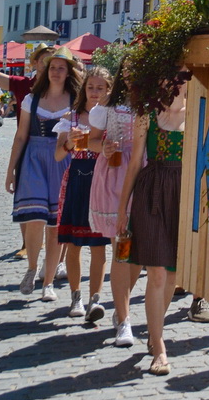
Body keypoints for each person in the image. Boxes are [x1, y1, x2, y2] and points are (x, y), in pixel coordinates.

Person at [116, 75, 189, 374]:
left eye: (184, 78)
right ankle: (159, 345)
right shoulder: (147, 112)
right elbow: (135, 162)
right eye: (174, 76)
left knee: (172, 272)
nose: (177, 83)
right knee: (157, 272)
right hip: (153, 190)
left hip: (183, 191)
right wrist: (123, 208)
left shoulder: (198, 111)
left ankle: (154, 330)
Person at [5, 49, 84, 300]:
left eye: (61, 68)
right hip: (34, 159)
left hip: (62, 159)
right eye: (53, 67)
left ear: (69, 72)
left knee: (56, 225)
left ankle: (47, 282)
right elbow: (20, 136)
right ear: (46, 71)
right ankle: (31, 268)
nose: (56, 72)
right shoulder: (32, 99)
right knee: (35, 218)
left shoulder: (76, 100)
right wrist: (10, 171)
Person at [87, 69, 142, 346]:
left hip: (145, 176)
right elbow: (91, 140)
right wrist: (104, 147)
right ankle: (124, 320)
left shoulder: (154, 102)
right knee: (123, 247)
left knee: (139, 253)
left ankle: (123, 302)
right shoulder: (108, 105)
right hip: (115, 177)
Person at [54, 66, 113, 321]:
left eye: (101, 88)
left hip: (101, 181)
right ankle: (76, 296)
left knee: (99, 244)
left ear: (109, 90)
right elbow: (58, 155)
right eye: (91, 87)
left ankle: (95, 299)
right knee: (74, 243)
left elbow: (118, 155)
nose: (95, 92)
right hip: (78, 178)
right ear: (84, 89)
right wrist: (69, 142)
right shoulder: (71, 117)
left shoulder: (113, 117)